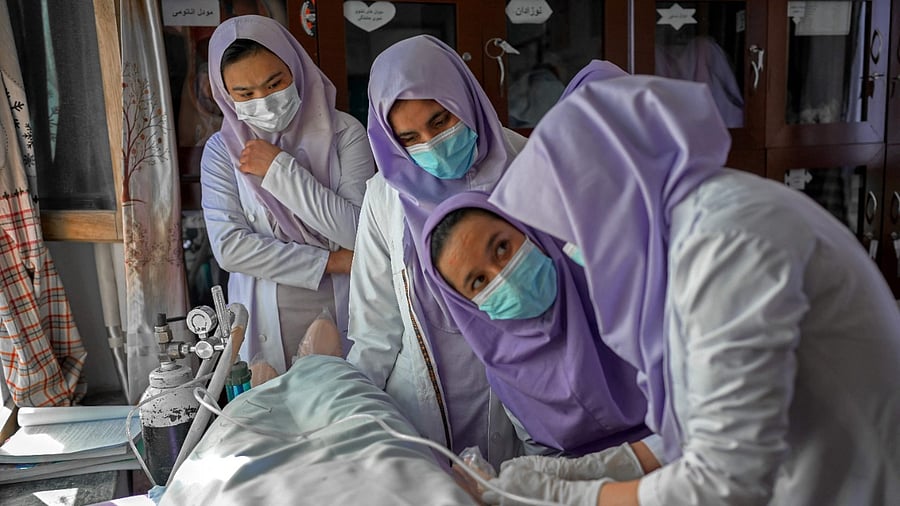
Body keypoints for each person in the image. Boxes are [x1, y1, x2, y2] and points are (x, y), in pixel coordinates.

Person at [478, 75, 900, 505]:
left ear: (614, 194)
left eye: (574, 228)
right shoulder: (691, 233)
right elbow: (709, 423)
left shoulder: (726, 244)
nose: (573, 249)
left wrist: (568, 497)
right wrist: (582, 470)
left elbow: (723, 482)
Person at [345, 35, 534, 468]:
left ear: (463, 98)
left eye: (441, 120)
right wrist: (351, 420)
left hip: (525, 393)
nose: (431, 144)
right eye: (410, 137)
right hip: (419, 404)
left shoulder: (527, 165)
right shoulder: (385, 196)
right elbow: (375, 330)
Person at [421, 190, 655, 461]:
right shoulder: (505, 374)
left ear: (525, 227)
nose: (503, 277)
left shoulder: (618, 278)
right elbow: (549, 455)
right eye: (479, 281)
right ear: (467, 306)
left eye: (502, 248)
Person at [202, 15, 375, 375]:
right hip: (263, 323)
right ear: (225, 95)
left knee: (345, 398)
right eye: (245, 94)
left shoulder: (345, 133)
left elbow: (358, 232)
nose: (264, 102)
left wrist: (280, 170)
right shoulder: (221, 151)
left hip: (346, 311)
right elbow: (231, 248)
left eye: (275, 83)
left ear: (296, 68)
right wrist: (329, 261)